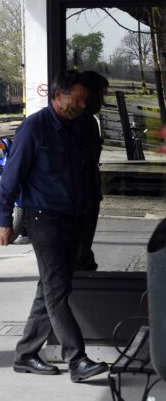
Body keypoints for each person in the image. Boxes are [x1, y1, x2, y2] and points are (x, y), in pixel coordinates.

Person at [0, 70, 108, 383]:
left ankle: (27, 353)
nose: (83, 105)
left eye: (85, 99)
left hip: (76, 217)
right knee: (58, 289)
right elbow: (11, 178)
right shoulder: (34, 128)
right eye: (77, 99)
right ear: (57, 96)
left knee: (49, 286)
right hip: (43, 218)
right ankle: (77, 359)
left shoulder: (84, 124)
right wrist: (4, 220)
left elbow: (88, 174)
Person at [74, 70, 108, 271]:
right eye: (101, 94)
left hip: (85, 197)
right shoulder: (85, 121)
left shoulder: (84, 121)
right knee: (79, 255)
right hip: (82, 200)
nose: (102, 101)